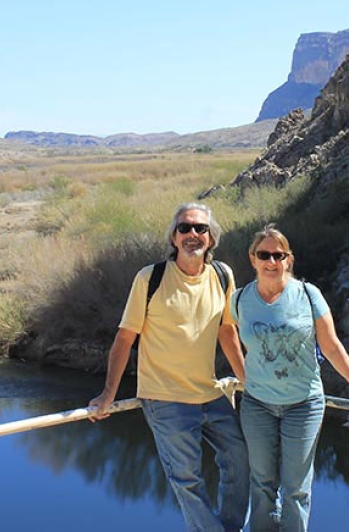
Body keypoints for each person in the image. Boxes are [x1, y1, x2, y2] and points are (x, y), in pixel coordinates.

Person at [88, 202, 249, 532]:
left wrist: (248, 380)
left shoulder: (222, 275)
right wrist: (107, 394)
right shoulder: (150, 278)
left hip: (210, 393)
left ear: (211, 238)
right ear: (174, 237)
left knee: (242, 460)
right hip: (165, 398)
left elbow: (227, 331)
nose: (193, 234)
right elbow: (125, 338)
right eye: (184, 228)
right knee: (187, 480)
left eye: (201, 228)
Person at [222, 224, 349, 532]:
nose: (271, 262)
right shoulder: (240, 300)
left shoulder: (309, 295)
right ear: (253, 259)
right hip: (257, 405)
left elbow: (331, 346)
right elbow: (226, 331)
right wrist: (243, 374)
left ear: (289, 259)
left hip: (303, 405)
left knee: (295, 488)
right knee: (262, 484)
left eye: (278, 255)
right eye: (264, 255)